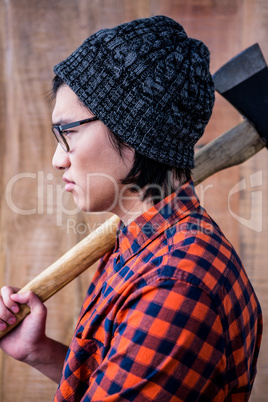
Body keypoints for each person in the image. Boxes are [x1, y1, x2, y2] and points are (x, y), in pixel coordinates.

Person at [0, 15, 262, 401]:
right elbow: (114, 377)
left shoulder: (175, 287)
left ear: (136, 131)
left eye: (68, 132)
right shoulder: (137, 244)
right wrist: (39, 352)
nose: (58, 160)